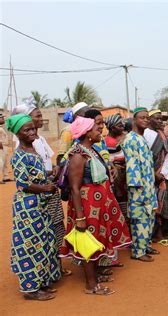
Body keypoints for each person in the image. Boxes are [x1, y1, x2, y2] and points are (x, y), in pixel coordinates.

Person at [60, 116, 131, 295]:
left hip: (98, 205)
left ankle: (96, 275)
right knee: (88, 244)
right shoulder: (78, 155)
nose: (100, 130)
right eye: (96, 128)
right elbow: (75, 188)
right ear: (86, 133)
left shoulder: (91, 150)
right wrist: (81, 217)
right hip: (87, 206)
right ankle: (91, 285)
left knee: (97, 240)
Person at [13, 102, 70, 276]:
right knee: (47, 230)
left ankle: (55, 268)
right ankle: (50, 270)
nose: (40, 119)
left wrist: (54, 169)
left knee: (56, 227)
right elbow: (26, 178)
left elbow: (46, 161)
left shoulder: (40, 139)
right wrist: (47, 181)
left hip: (48, 189)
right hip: (41, 192)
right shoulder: (22, 147)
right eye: (36, 116)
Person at [8, 114, 60, 301]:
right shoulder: (19, 155)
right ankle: (30, 289)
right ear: (18, 134)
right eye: (26, 130)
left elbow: (35, 174)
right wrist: (45, 187)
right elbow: (23, 183)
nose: (32, 132)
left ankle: (41, 282)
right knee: (30, 245)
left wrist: (50, 172)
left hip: (40, 205)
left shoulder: (33, 150)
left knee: (44, 242)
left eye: (33, 128)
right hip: (28, 206)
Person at [123, 108, 160, 261]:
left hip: (148, 185)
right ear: (134, 120)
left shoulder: (142, 138)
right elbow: (132, 167)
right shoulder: (131, 139)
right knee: (140, 218)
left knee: (149, 217)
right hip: (139, 188)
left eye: (147, 118)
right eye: (142, 118)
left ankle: (145, 245)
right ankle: (138, 251)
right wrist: (140, 189)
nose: (145, 120)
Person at [143, 109, 168, 245]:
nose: (160, 121)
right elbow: (144, 157)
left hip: (161, 175)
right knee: (149, 206)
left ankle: (159, 232)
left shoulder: (162, 135)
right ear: (149, 119)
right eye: (157, 118)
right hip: (148, 176)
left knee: (161, 203)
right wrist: (152, 173)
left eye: (162, 119)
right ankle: (148, 234)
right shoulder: (144, 134)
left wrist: (162, 173)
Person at [104, 114, 128, 217]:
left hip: (120, 177)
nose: (122, 127)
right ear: (112, 128)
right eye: (119, 125)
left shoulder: (112, 141)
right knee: (120, 202)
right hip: (118, 178)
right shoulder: (110, 142)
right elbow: (111, 162)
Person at [0, 112, 11, 183]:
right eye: (2, 118)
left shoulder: (1, 128)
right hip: (1, 146)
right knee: (0, 162)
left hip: (5, 146)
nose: (3, 119)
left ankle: (6, 177)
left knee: (5, 162)